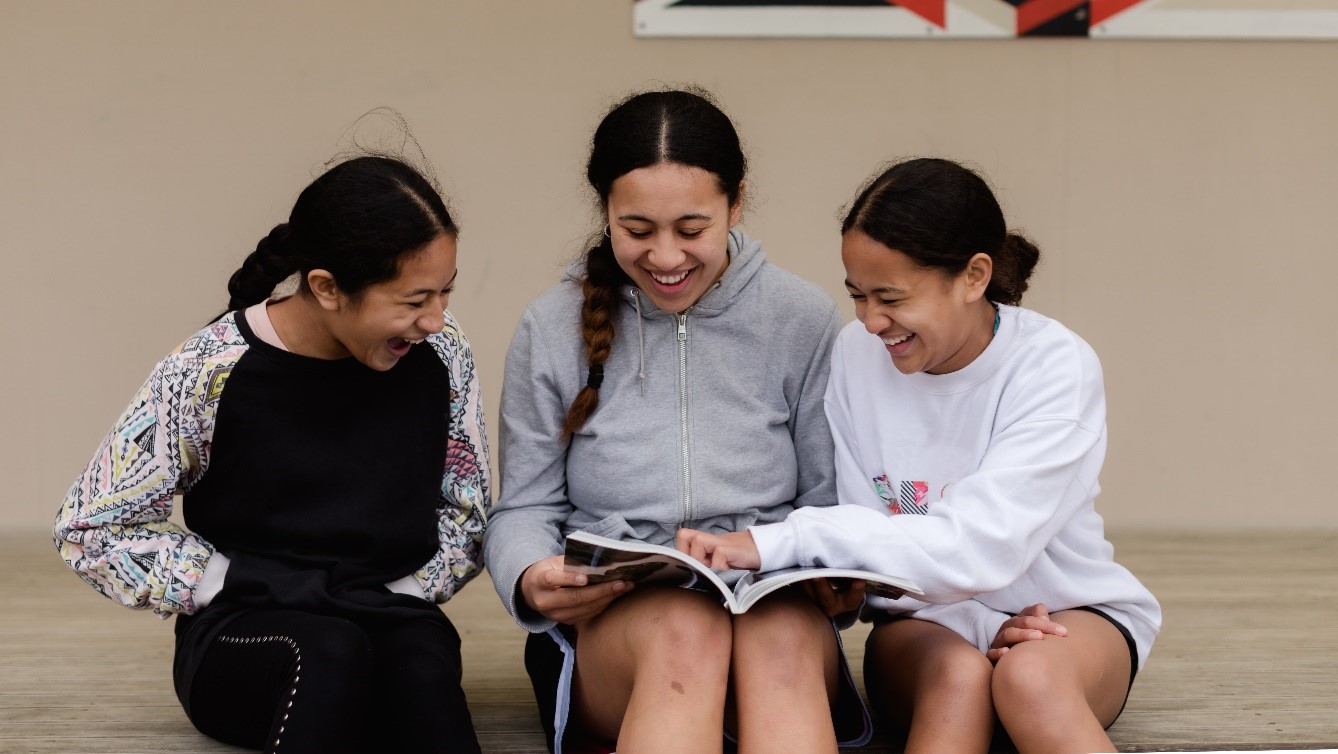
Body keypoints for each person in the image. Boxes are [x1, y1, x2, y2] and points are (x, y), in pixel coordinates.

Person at [677, 157, 1162, 754]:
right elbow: (874, 558)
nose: (871, 321)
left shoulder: (1054, 366)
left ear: (974, 276)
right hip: (923, 628)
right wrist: (982, 627)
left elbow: (984, 547)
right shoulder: (856, 356)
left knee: (1030, 678)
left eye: (891, 297)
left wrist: (779, 540)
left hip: (1066, 616)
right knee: (958, 678)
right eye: (857, 295)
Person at [53, 154, 490, 754]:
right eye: (415, 299)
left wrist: (407, 592)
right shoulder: (207, 369)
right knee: (329, 655)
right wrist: (225, 580)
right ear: (327, 288)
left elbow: (465, 510)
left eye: (446, 292)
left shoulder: (443, 355)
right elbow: (90, 525)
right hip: (248, 630)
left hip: (388, 612)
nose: (437, 320)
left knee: (421, 668)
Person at [483, 89, 864, 754]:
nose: (665, 257)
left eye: (692, 230)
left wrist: (842, 580)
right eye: (637, 230)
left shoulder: (803, 319)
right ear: (604, 210)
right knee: (688, 631)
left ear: (735, 204)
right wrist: (531, 577)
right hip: (623, 632)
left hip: (771, 608)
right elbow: (524, 506)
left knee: (776, 640)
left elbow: (826, 502)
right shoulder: (551, 326)